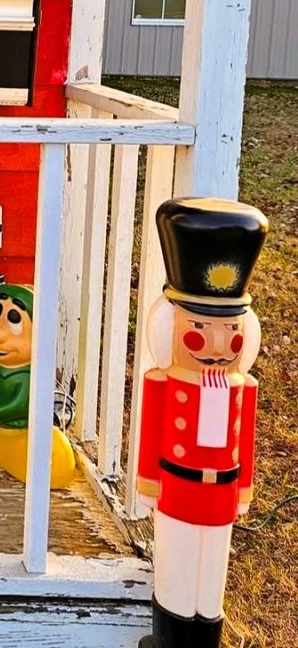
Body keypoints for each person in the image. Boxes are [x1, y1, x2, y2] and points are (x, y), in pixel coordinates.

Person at [136, 197, 266, 648]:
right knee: (176, 563)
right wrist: (149, 482)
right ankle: (170, 635)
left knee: (212, 568)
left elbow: (244, 440)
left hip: (220, 493)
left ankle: (207, 631)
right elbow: (152, 431)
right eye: (198, 330)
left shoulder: (241, 387)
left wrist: (243, 489)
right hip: (178, 487)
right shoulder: (164, 383)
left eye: (230, 332)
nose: (215, 344)